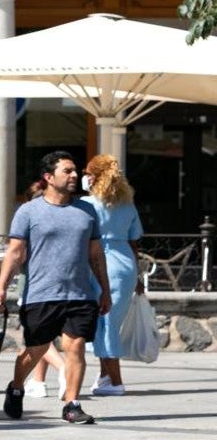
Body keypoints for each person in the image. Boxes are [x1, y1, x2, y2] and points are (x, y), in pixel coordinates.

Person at [0, 150, 111, 425]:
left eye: (75, 171)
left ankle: (72, 404)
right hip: (41, 293)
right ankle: (16, 386)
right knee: (35, 350)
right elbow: (14, 253)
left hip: (80, 294)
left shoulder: (87, 210)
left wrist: (105, 290)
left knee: (76, 346)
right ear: (48, 177)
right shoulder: (29, 211)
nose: (75, 175)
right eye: (67, 171)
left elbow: (96, 254)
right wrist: (1, 287)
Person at [82, 154, 143, 396]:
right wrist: (138, 277)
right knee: (108, 322)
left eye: (88, 173)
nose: (84, 177)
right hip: (125, 263)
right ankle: (106, 376)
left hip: (101, 264)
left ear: (95, 176)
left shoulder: (88, 205)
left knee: (105, 323)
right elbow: (135, 240)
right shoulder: (128, 205)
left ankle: (116, 381)